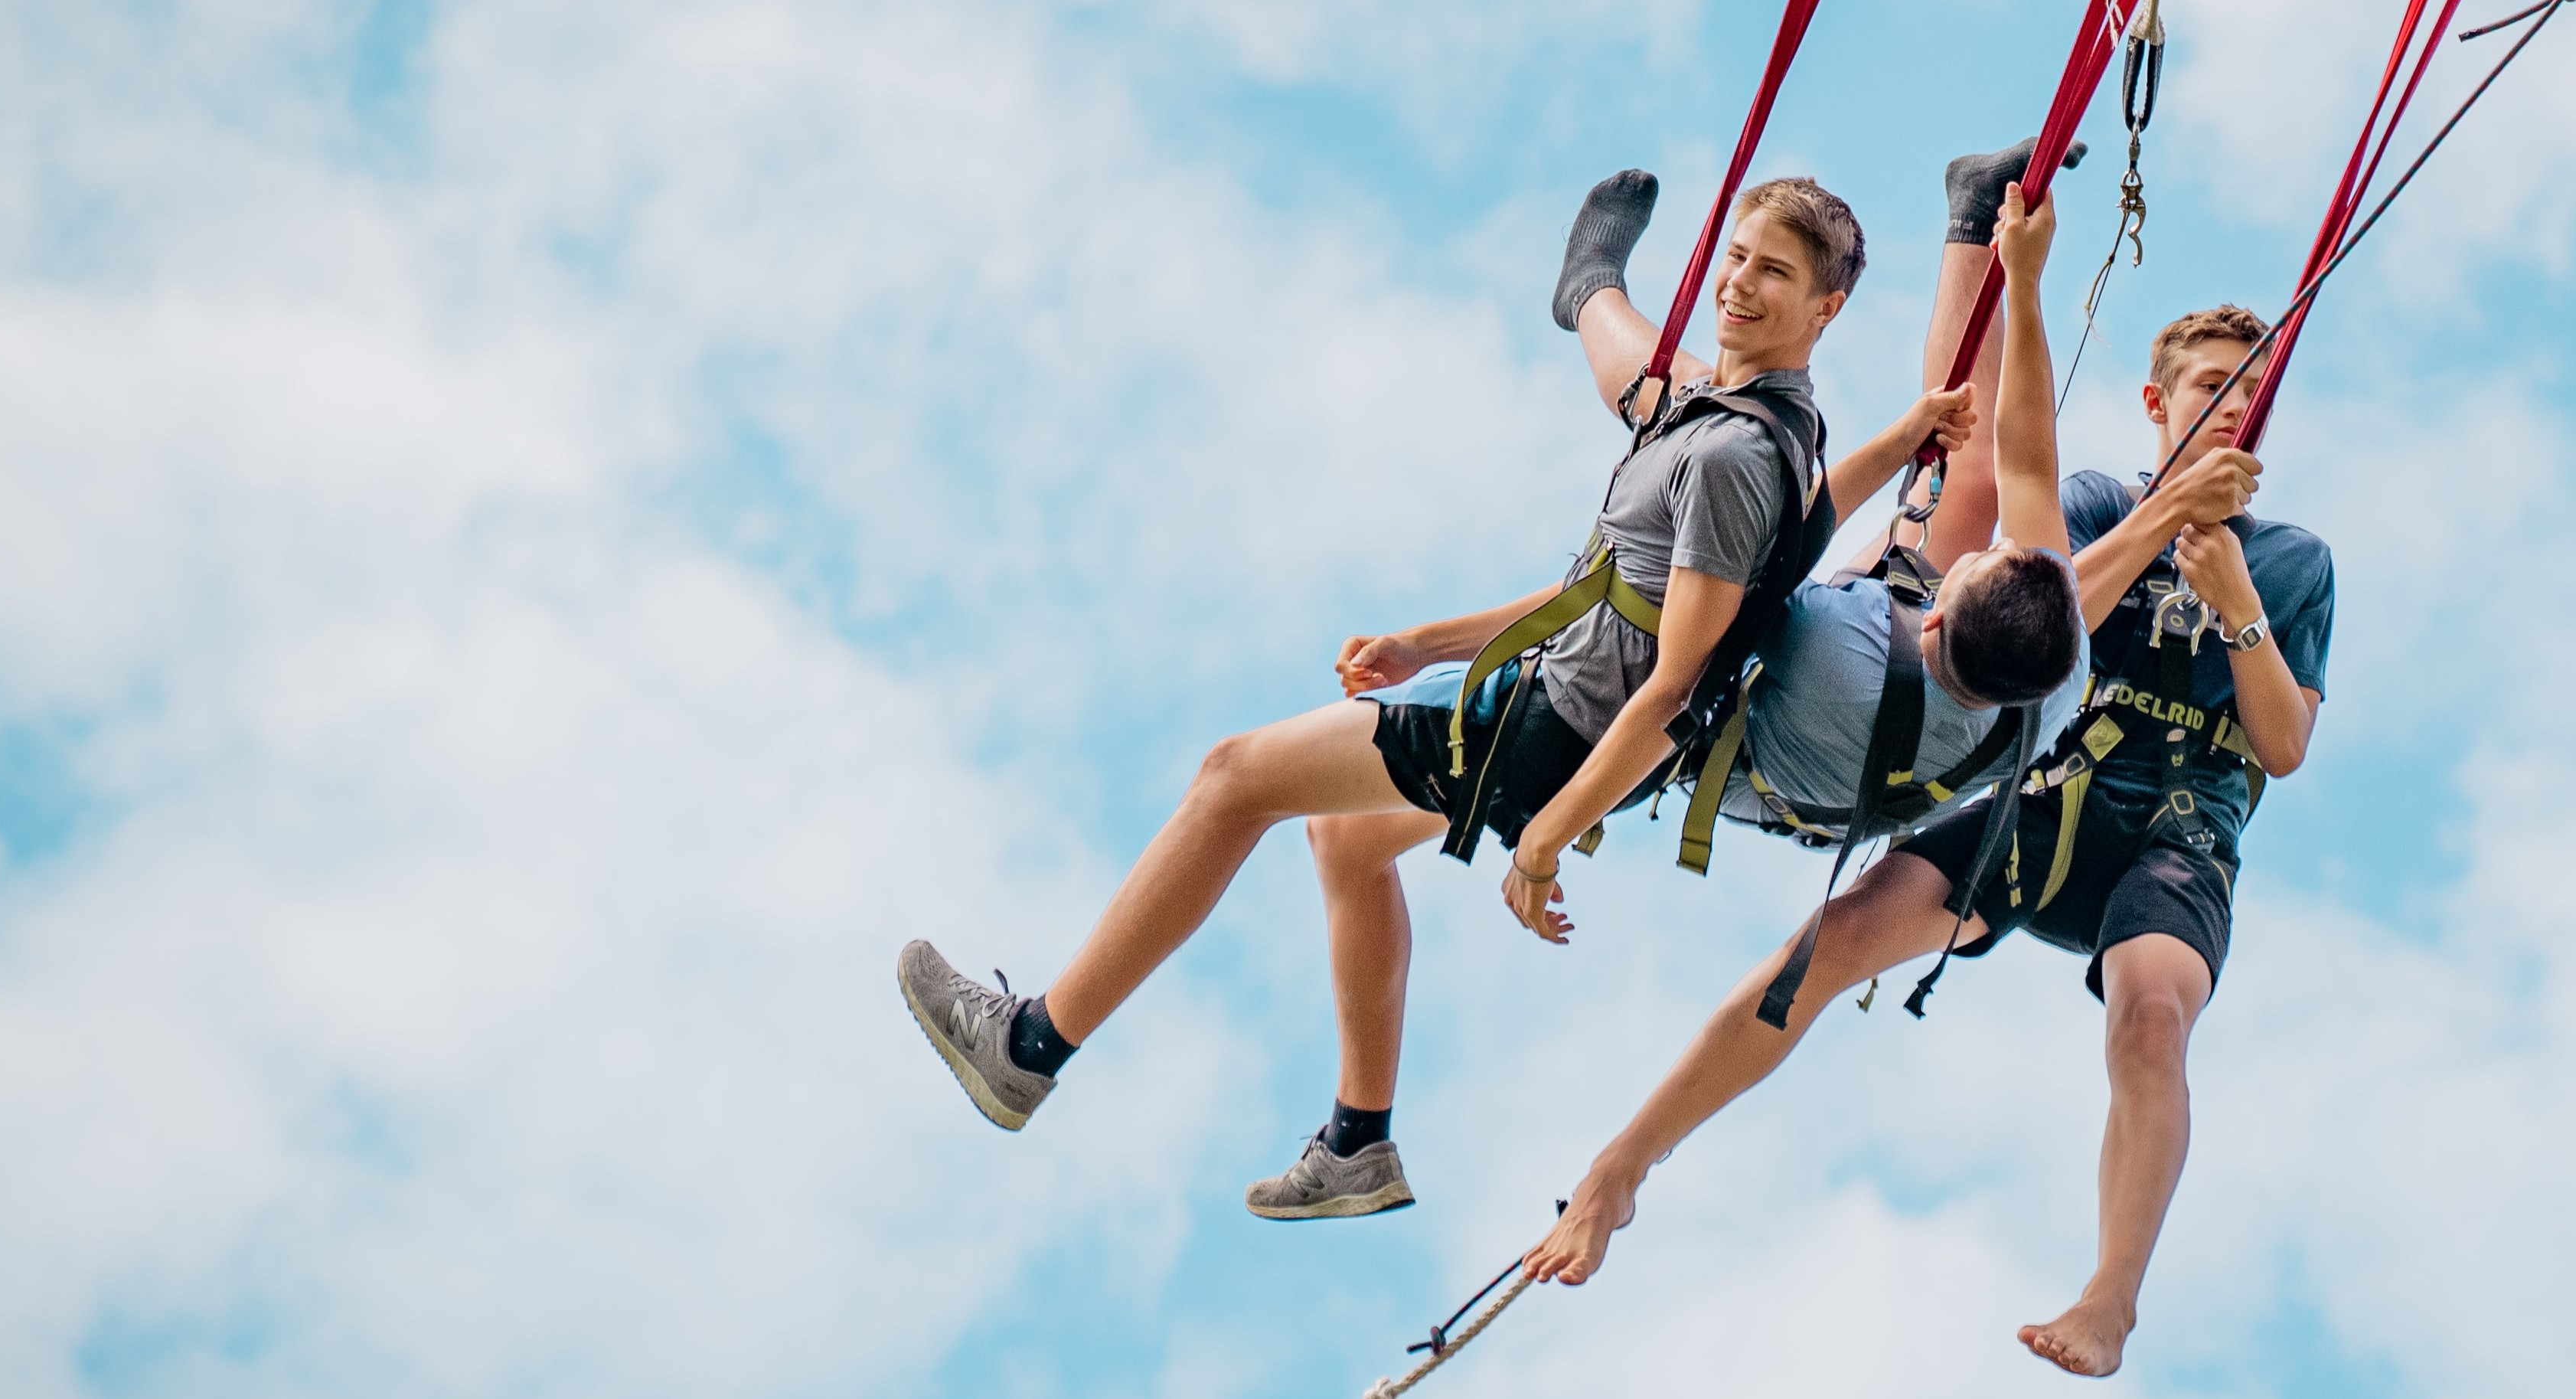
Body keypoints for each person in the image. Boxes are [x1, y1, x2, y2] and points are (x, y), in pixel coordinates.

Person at [899, 155, 2082, 1192]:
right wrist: (1430, 643)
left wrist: (1543, 841)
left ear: (1824, 308)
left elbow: (1668, 686)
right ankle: (1358, 1142)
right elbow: (1615, 591)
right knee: (1345, 841)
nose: (1735, 282)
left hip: (1544, 732)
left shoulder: (1729, 453)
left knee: (1232, 780)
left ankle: (1029, 1049)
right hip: (1545, 692)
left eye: (1769, 271)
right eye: (1732, 256)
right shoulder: (1773, 428)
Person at [1256, 141, 2093, 1220]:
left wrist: (1541, 829)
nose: (1973, 554)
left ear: (1931, 610)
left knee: (1689, 411)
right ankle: (1971, 212)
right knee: (1956, 477)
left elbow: (1727, 602)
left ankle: (1588, 298)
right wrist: (2007, 282)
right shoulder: (2053, 657)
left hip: (1700, 724)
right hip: (1871, 701)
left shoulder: (1822, 657)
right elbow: (2022, 456)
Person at [1516, 303, 2329, 1384]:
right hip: (2042, 802)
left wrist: (2237, 605)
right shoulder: (2098, 505)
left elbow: (2282, 746)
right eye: (2211, 386)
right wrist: (2163, 518)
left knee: (2150, 1025)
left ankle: (2109, 1299)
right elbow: (2036, 601)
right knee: (1828, 945)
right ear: (2158, 402)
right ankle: (1620, 1170)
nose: (2232, 408)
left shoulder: (2295, 563)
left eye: (2251, 393)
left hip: (2175, 834)